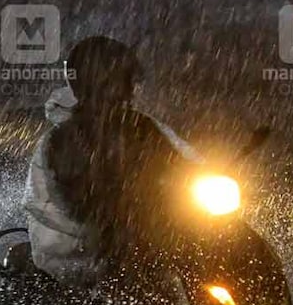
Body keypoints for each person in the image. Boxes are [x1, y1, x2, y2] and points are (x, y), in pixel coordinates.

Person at [24, 36, 188, 289]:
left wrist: (203, 175)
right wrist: (111, 211)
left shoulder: (142, 126)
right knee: (118, 279)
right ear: (92, 83)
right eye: (117, 80)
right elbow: (67, 194)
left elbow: (178, 161)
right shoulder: (64, 139)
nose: (128, 88)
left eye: (126, 80)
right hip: (98, 243)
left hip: (154, 230)